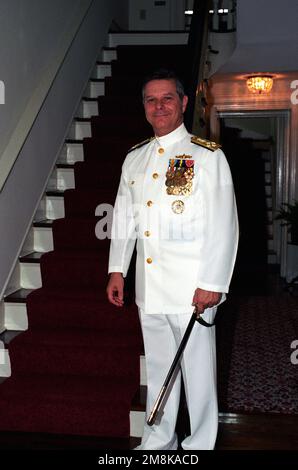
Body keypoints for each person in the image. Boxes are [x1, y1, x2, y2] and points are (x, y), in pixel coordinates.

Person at [106, 69, 238, 450]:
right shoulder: (135, 158)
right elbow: (124, 216)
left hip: (192, 286)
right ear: (144, 107)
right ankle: (160, 438)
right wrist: (118, 268)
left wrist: (212, 282)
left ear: (183, 103)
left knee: (198, 374)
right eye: (151, 99)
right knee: (161, 367)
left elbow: (223, 223)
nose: (159, 106)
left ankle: (199, 445)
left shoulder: (207, 156)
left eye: (167, 98)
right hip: (151, 287)